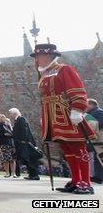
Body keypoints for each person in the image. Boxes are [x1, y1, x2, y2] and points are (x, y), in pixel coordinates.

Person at [31, 43, 96, 194]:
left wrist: (77, 109)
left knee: (78, 147)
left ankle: (85, 182)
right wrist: (44, 116)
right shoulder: (45, 74)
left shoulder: (64, 69)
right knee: (66, 148)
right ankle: (76, 179)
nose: (37, 60)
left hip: (66, 113)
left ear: (48, 56)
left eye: (38, 56)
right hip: (52, 114)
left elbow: (77, 90)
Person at [8, 108, 40, 180]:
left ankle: (34, 175)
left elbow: (24, 130)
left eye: (11, 114)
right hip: (21, 143)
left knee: (28, 159)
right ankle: (32, 174)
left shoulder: (21, 119)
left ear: (14, 113)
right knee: (26, 159)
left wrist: (23, 140)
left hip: (25, 143)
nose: (10, 115)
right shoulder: (17, 120)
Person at [0, 114, 17, 178]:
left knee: (13, 159)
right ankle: (7, 173)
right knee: (6, 159)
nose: (4, 119)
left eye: (4, 117)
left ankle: (13, 173)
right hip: (3, 143)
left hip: (11, 143)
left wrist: (10, 125)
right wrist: (5, 134)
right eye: (3, 118)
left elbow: (12, 134)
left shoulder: (7, 125)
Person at [86, 99, 103, 184]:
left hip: (100, 138)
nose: (85, 106)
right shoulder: (93, 113)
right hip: (97, 138)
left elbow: (100, 124)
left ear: (92, 104)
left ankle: (99, 177)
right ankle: (98, 177)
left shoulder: (98, 112)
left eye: (87, 104)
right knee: (97, 157)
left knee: (99, 157)